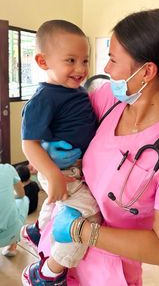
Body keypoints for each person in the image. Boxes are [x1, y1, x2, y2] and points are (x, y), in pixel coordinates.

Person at [29, 8, 159, 285]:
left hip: (109, 270)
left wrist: (81, 231)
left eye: (112, 59)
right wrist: (45, 152)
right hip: (58, 246)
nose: (105, 69)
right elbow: (52, 124)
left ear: (147, 71)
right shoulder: (107, 102)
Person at [20, 20, 101, 285]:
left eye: (85, 60)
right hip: (63, 171)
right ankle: (49, 273)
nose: (80, 69)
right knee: (87, 214)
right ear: (43, 62)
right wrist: (52, 173)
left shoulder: (74, 91)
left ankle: (38, 230)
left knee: (58, 204)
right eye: (71, 60)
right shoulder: (45, 97)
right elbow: (28, 143)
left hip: (69, 168)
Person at [0, 163, 29, 257]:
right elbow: (21, 194)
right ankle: (11, 245)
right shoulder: (8, 168)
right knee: (24, 199)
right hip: (10, 234)